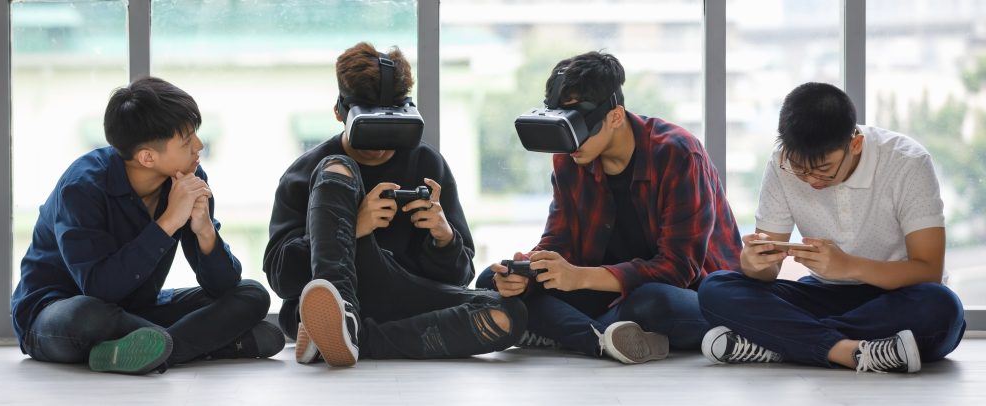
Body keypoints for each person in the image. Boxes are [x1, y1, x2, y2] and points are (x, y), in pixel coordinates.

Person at [263, 42, 526, 368]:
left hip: (408, 297)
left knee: (507, 315)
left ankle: (354, 338)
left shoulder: (426, 162)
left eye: (390, 127)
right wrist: (351, 228)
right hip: (334, 298)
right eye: (369, 127)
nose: (379, 144)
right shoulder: (308, 172)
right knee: (336, 169)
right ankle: (340, 319)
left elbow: (458, 279)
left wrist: (444, 237)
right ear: (339, 112)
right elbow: (281, 279)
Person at [475, 51, 742, 364]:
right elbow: (559, 243)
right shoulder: (571, 157)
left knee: (649, 303)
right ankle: (603, 340)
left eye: (578, 127)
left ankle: (566, 330)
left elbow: (678, 268)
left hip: (690, 293)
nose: (571, 142)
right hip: (607, 290)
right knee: (491, 283)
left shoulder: (678, 154)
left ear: (615, 116)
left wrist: (579, 278)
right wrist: (528, 271)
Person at [10, 77, 284, 375]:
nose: (199, 146)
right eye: (186, 140)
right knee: (89, 316)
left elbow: (222, 285)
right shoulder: (81, 188)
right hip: (57, 315)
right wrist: (168, 222)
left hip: (137, 309)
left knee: (251, 294)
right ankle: (210, 345)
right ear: (147, 157)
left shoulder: (187, 178)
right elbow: (101, 289)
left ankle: (157, 349)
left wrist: (205, 229)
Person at [697, 82, 965, 373]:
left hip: (897, 296)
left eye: (824, 169)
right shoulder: (780, 164)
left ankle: (778, 345)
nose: (811, 180)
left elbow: (928, 270)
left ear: (855, 144)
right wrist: (753, 264)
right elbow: (767, 271)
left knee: (942, 309)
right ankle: (848, 351)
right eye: (800, 169)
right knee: (717, 287)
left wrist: (848, 266)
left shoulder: (907, 162)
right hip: (824, 294)